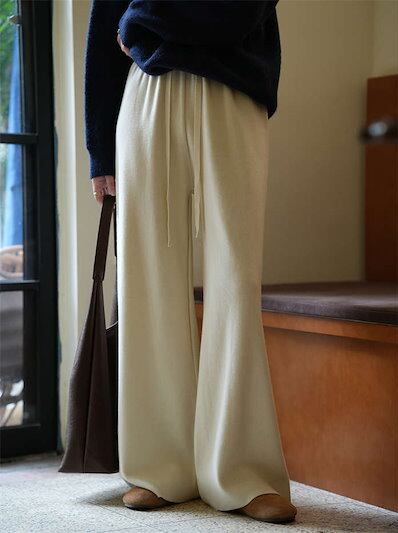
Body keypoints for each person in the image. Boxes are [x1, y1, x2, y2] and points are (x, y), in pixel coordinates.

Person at [84, 0, 297, 524]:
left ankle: (242, 471)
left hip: (233, 88)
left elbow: (236, 13)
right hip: (146, 94)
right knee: (147, 281)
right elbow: (104, 21)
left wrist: (138, 19)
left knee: (235, 283)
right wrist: (100, 149)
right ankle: (161, 465)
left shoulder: (144, 22)